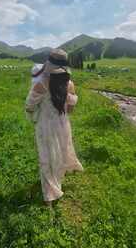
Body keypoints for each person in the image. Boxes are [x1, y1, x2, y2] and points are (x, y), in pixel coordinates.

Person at [25, 49, 83, 206]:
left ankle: (50, 193)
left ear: (48, 63)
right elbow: (70, 109)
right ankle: (57, 181)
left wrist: (34, 115)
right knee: (60, 153)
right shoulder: (69, 84)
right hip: (63, 124)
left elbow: (29, 106)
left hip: (45, 126)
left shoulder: (41, 84)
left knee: (47, 157)